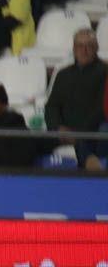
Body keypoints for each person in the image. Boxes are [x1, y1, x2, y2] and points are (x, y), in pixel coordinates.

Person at [45, 29, 107, 167]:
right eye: (80, 46)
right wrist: (57, 128)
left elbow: (101, 109)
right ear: (74, 48)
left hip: (91, 133)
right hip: (61, 132)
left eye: (89, 46)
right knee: (31, 141)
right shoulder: (63, 74)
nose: (84, 50)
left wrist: (76, 133)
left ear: (96, 48)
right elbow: (51, 106)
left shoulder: (104, 72)